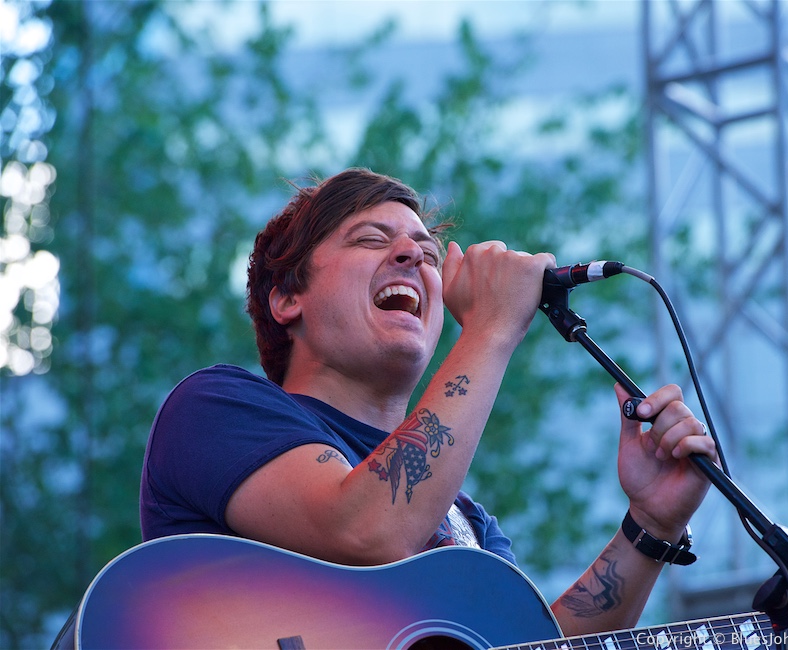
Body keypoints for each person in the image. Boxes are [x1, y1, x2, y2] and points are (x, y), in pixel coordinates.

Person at [139, 167, 717, 637]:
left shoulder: (462, 524)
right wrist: (490, 330)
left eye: (428, 253)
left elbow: (532, 644)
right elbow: (364, 530)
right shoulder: (215, 407)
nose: (413, 257)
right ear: (288, 296)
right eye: (371, 239)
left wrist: (649, 526)